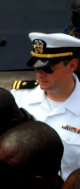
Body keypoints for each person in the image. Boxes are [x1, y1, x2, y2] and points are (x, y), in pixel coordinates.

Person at [10, 32, 80, 180]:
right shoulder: (19, 97)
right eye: (36, 67)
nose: (40, 74)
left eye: (48, 68)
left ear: (72, 65)